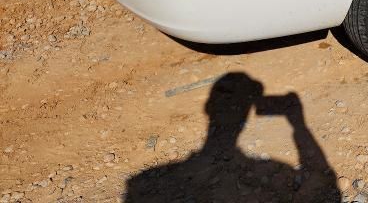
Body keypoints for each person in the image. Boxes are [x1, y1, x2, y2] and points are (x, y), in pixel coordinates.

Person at [125, 72, 341, 202]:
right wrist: (298, 125)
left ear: (208, 108)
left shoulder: (138, 184)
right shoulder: (281, 169)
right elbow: (329, 185)